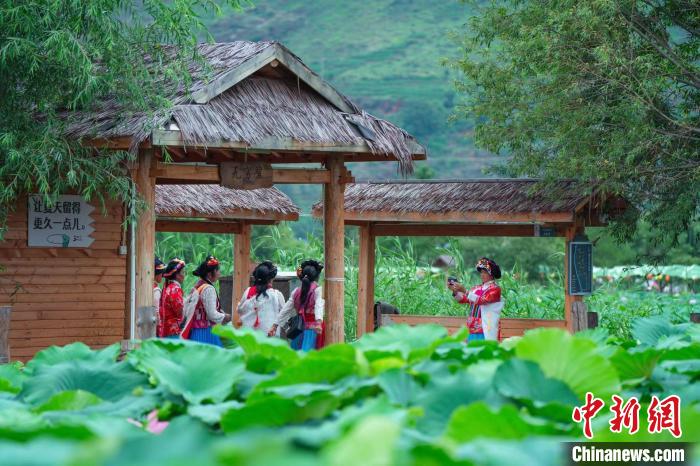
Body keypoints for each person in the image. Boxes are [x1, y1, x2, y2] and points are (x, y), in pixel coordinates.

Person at [268, 260, 325, 351]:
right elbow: (319, 305)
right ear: (317, 276)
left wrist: (275, 325)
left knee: (297, 357)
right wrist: (318, 322)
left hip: (298, 330)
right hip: (313, 330)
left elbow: (285, 310)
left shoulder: (296, 292)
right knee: (310, 358)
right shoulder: (318, 290)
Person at [448, 257, 504, 342]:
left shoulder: (495, 289)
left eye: (485, 272)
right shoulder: (477, 288)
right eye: (481, 272)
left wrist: (465, 291)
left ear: (491, 274)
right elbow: (464, 299)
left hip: (486, 325)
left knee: (485, 351)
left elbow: (482, 300)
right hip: (472, 325)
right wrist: (455, 291)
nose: (482, 275)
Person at [186, 255, 231, 346]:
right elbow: (212, 314)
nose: (219, 274)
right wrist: (225, 317)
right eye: (218, 271)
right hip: (206, 333)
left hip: (195, 331)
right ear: (211, 273)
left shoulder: (197, 286)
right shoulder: (208, 289)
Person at [237, 261, 285, 336]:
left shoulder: (248, 291)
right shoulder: (276, 295)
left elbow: (240, 310)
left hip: (249, 336)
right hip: (269, 336)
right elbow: (284, 314)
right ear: (271, 279)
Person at [158, 258, 186, 338]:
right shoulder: (175, 289)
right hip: (174, 331)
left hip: (167, 330)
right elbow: (180, 312)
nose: (184, 275)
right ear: (177, 275)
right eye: (183, 272)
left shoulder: (168, 288)